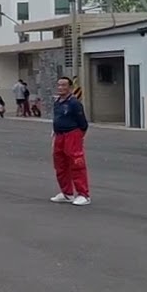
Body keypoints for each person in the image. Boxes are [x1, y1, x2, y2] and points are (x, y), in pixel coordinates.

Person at [50, 76, 91, 206]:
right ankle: (66, 193)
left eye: (64, 85)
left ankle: (83, 194)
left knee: (76, 163)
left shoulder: (74, 103)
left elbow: (83, 122)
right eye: (59, 85)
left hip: (72, 134)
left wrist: (79, 135)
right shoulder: (57, 102)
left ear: (70, 87)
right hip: (59, 135)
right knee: (60, 164)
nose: (61, 88)